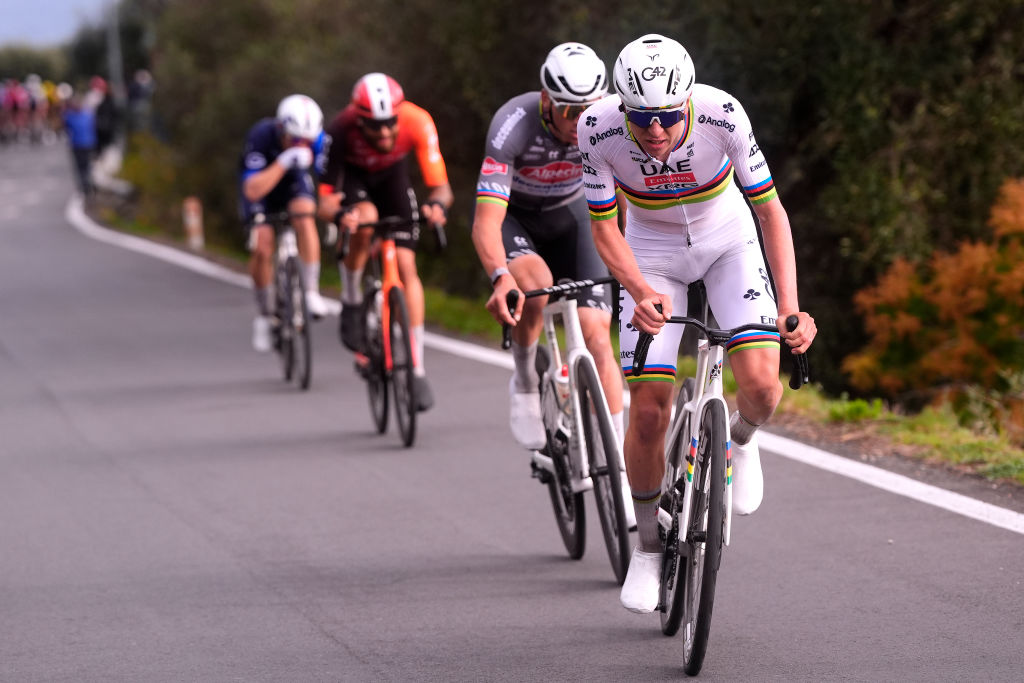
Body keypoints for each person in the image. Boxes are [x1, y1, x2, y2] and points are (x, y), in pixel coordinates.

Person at [579, 34, 817, 614]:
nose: (655, 130)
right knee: (650, 408)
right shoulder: (596, 128)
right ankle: (647, 547)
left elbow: (769, 212)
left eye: (666, 115)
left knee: (762, 387)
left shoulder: (723, 114)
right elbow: (605, 227)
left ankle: (739, 442)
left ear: (686, 101)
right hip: (652, 253)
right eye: (642, 117)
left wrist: (791, 303)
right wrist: (636, 290)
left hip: (726, 240)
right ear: (622, 106)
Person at [471, 42, 634, 526]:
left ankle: (622, 470)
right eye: (567, 111)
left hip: (572, 218)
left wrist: (641, 261)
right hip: (515, 221)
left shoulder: (607, 121)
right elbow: (485, 220)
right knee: (536, 289)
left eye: (586, 110)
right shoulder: (513, 124)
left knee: (596, 330)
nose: (576, 122)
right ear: (546, 100)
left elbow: (626, 195)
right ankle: (524, 378)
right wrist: (500, 276)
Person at [320, 73, 452, 412]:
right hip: (355, 180)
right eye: (373, 126)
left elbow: (441, 187)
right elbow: (323, 200)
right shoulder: (339, 128)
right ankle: (351, 297)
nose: (383, 132)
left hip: (393, 178)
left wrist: (437, 206)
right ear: (358, 118)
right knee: (364, 218)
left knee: (407, 266)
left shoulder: (418, 121)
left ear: (400, 113)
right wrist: (339, 216)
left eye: (390, 123)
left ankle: (417, 367)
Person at [239, 93, 331, 352]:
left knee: (304, 214)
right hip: (263, 185)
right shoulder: (261, 135)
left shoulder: (318, 139)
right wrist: (283, 161)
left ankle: (311, 290)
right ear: (281, 129)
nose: (302, 144)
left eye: (308, 141)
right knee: (263, 244)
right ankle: (265, 312)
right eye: (295, 139)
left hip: (293, 184)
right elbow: (253, 190)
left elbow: (330, 184)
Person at [62, 92, 96, 197]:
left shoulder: (73, 116)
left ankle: (87, 185)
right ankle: (86, 185)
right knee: (82, 167)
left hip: (85, 144)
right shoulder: (83, 115)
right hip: (79, 144)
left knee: (84, 166)